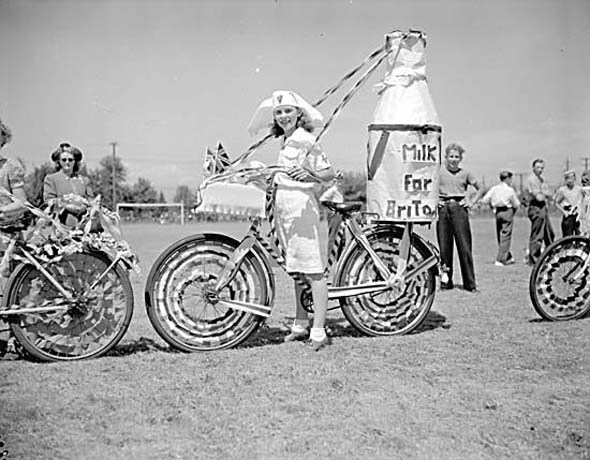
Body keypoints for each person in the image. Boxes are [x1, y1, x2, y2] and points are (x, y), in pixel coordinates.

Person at [248, 90, 336, 350]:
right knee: (296, 267)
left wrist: (309, 173)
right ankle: (300, 323)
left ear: (299, 114)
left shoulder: (306, 139)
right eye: (279, 112)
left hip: (301, 208)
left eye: (288, 111)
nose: (283, 116)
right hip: (284, 208)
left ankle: (318, 331)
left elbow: (328, 173)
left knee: (313, 270)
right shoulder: (287, 142)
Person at [436, 143, 483, 292]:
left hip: (459, 210)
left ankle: (470, 284)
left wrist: (471, 201)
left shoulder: (466, 173)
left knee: (464, 247)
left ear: (460, 158)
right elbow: (427, 186)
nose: (454, 159)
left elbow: (480, 188)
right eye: (451, 156)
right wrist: (434, 200)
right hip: (443, 209)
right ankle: (446, 282)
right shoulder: (438, 172)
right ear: (446, 157)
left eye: (456, 157)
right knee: (444, 248)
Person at [43, 142, 93, 227]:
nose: (67, 162)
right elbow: (48, 200)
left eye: (70, 160)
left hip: (84, 219)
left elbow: (91, 200)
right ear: (59, 162)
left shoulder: (84, 180)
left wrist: (83, 207)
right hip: (61, 221)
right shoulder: (51, 178)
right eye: (64, 160)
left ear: (75, 162)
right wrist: (67, 206)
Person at [480, 170, 521, 266]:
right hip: (507, 211)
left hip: (498, 212)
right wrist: (514, 210)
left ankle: (508, 256)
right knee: (506, 236)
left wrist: (492, 205)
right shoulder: (510, 190)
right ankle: (500, 259)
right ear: (507, 179)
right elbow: (516, 203)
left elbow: (485, 200)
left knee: (500, 235)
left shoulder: (494, 189)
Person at [525, 158, 554, 265]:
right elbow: (539, 197)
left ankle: (550, 256)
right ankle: (534, 259)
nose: (540, 170)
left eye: (542, 168)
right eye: (538, 167)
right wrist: (544, 193)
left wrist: (544, 193)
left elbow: (548, 194)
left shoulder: (541, 179)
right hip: (536, 208)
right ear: (533, 168)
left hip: (543, 208)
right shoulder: (532, 180)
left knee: (549, 233)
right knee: (537, 235)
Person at [554, 170, 582, 237]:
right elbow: (556, 203)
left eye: (572, 178)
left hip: (577, 216)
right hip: (568, 216)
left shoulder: (579, 189)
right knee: (568, 237)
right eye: (568, 178)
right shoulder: (562, 190)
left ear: (575, 179)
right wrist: (564, 212)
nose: (570, 180)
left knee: (579, 235)